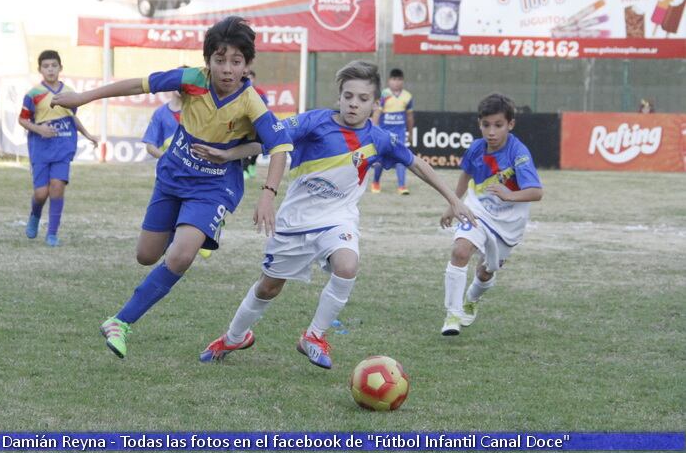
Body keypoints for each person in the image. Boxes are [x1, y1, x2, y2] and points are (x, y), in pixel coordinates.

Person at [196, 61, 475, 369]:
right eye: (348, 96)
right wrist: (228, 153)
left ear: (375, 103)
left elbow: (417, 164)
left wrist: (454, 199)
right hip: (295, 222)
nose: (354, 103)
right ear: (339, 96)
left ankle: (313, 336)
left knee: (347, 265)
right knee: (269, 287)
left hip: (338, 220)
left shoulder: (379, 139)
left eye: (363, 98)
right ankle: (235, 336)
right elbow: (268, 139)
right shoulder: (315, 122)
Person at [51, 16, 293, 359]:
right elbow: (139, 84)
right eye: (219, 60)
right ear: (207, 60)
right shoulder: (193, 79)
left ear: (247, 65)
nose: (227, 69)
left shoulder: (251, 102)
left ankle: (120, 322)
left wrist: (266, 193)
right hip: (173, 175)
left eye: (236, 62)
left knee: (181, 255)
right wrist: (84, 97)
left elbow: (278, 147)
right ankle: (187, 230)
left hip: (214, 187)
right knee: (146, 256)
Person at [438, 93, 544, 336]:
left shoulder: (519, 152)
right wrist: (453, 205)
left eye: (498, 125)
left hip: (509, 223)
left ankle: (472, 298)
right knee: (460, 250)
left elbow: (537, 192)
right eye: (486, 125)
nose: (491, 132)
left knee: (486, 271)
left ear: (510, 125)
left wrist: (509, 195)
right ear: (480, 124)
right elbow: (465, 175)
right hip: (477, 211)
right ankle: (452, 314)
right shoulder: (476, 148)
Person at [19, 50, 98, 247]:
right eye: (46, 66)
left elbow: (71, 117)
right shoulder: (33, 94)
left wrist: (87, 134)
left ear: (60, 68)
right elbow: (22, 119)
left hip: (63, 146)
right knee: (41, 193)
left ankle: (52, 234)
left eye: (54, 65)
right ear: (40, 70)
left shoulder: (69, 93)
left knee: (57, 187)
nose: (50, 69)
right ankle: (35, 215)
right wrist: (39, 128)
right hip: (41, 148)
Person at [141, 71, 216, 260]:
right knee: (170, 215)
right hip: (170, 173)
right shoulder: (161, 114)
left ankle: (205, 231)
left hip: (197, 174)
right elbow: (150, 145)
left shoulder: (201, 112)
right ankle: (177, 246)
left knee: (192, 209)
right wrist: (166, 156)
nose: (180, 87)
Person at [370, 68, 414, 195]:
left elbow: (410, 117)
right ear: (389, 81)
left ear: (403, 81)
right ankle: (376, 182)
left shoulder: (407, 96)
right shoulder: (384, 94)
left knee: (401, 158)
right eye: (394, 79)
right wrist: (374, 129)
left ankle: (402, 186)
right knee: (380, 159)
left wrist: (410, 133)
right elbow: (377, 113)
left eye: (399, 79)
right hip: (385, 133)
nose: (397, 82)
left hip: (399, 135)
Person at [241, 69, 269, 180]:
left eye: (251, 78)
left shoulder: (260, 92)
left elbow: (265, 108)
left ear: (254, 79)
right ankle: (244, 169)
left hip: (257, 125)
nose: (249, 80)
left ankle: (252, 164)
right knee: (242, 146)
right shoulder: (240, 92)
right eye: (247, 78)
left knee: (259, 146)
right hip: (243, 126)